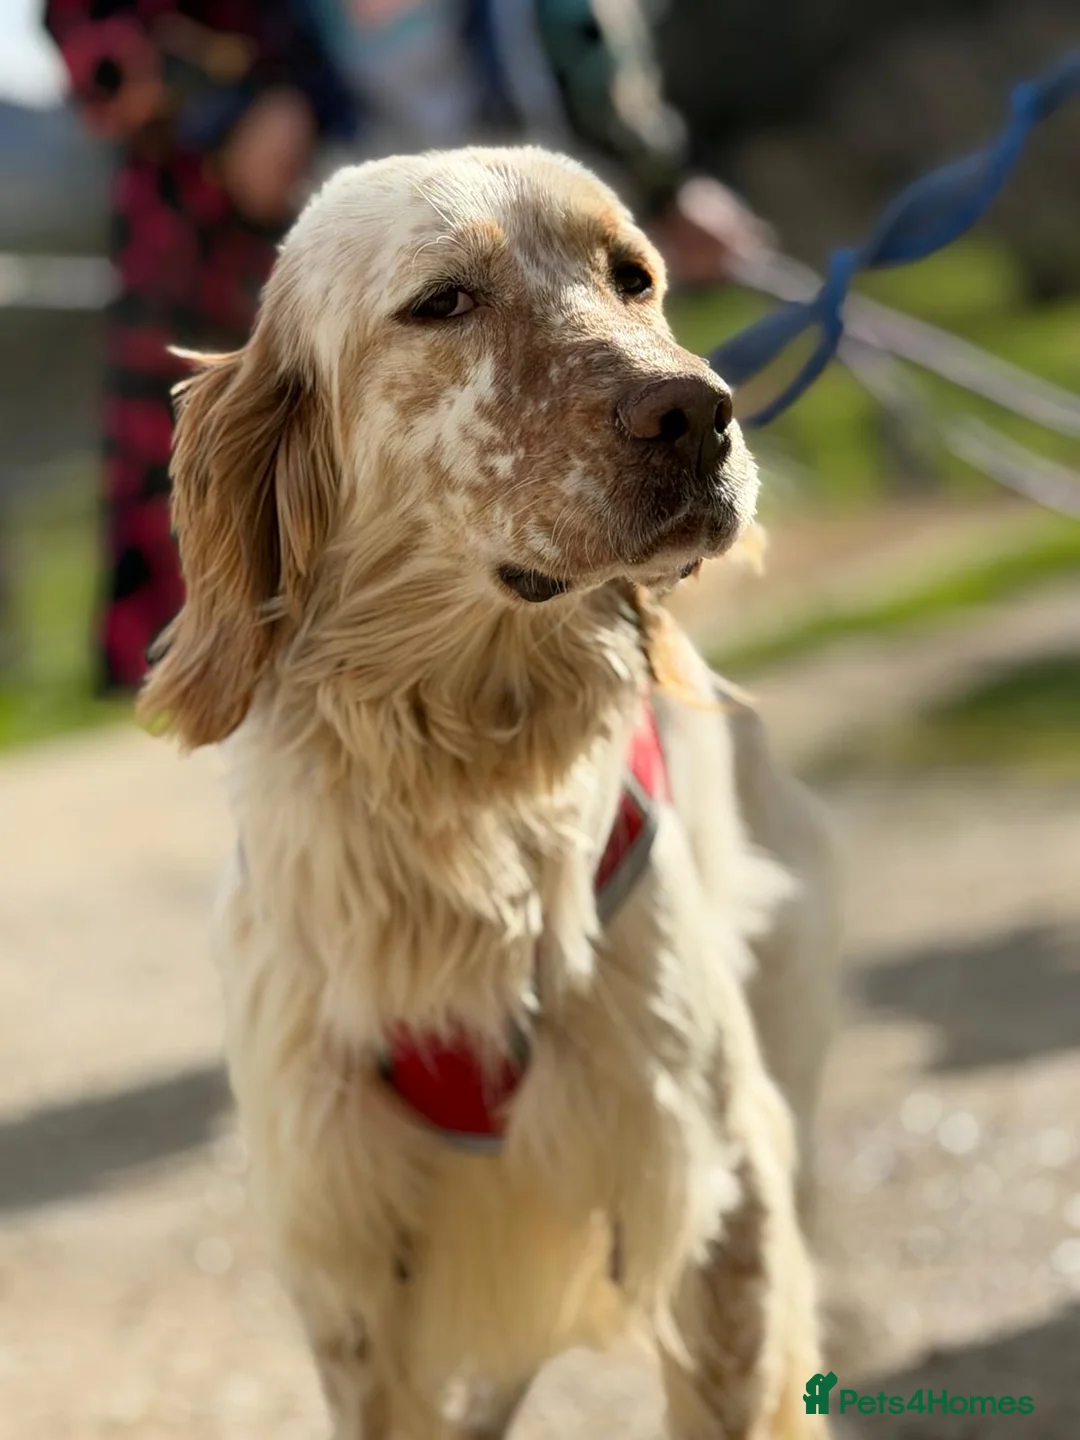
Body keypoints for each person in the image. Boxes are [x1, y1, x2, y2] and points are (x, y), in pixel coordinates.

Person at [44, 2, 352, 692]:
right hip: (172, 224)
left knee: (302, 411)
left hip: (290, 201)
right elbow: (89, 50)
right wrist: (199, 100)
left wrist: (293, 110)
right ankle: (171, 654)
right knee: (168, 436)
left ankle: (312, 620)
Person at [302, 0, 767, 289]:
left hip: (558, 228)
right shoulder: (295, 20)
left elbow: (599, 71)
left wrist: (668, 187)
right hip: (416, 249)